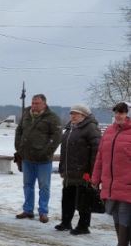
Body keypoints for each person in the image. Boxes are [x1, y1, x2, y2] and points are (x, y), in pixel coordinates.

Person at [92, 102, 131, 246]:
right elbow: (100, 157)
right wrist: (96, 177)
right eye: (117, 113)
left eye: (122, 112)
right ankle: (121, 245)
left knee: (124, 213)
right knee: (115, 212)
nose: (119, 116)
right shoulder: (109, 131)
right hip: (110, 183)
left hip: (127, 182)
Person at [14, 94, 62, 223]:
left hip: (43, 160)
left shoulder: (52, 118)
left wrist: (47, 152)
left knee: (44, 187)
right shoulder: (26, 114)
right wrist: (19, 147)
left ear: (44, 104)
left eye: (37, 103)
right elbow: (19, 130)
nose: (34, 105)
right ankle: (28, 210)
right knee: (28, 185)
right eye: (33, 103)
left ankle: (43, 212)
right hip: (27, 158)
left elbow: (57, 137)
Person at [57, 104, 100, 235]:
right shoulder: (70, 127)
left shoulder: (91, 128)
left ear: (84, 115)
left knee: (84, 200)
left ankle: (83, 225)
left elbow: (97, 150)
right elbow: (64, 149)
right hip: (69, 171)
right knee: (67, 197)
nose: (73, 116)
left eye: (76, 113)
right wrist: (62, 166)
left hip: (84, 171)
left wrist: (92, 171)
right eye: (72, 113)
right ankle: (66, 222)